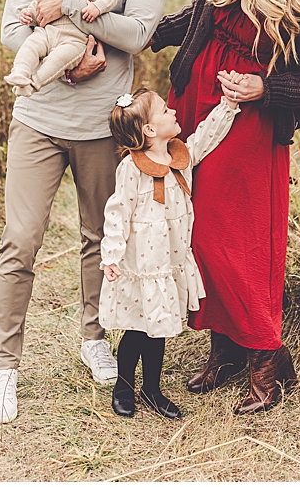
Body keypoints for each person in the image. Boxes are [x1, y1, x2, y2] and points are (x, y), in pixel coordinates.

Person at [0, 0, 172, 424]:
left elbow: (138, 34)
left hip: (102, 126)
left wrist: (66, 6)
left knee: (100, 237)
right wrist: (67, 62)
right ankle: (3, 368)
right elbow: (13, 29)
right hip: (38, 119)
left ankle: (94, 336)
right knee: (21, 240)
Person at [150, 0, 300, 415]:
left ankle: (267, 357)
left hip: (252, 112)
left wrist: (266, 88)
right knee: (192, 226)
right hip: (196, 99)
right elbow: (200, 17)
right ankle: (228, 348)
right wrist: (146, 33)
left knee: (232, 235)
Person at [100, 87, 239, 419]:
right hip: (142, 264)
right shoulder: (132, 168)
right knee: (137, 329)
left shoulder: (179, 157)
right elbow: (117, 213)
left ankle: (152, 390)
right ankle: (123, 385)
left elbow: (205, 138)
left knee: (159, 327)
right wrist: (112, 255)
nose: (173, 112)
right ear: (149, 130)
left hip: (170, 261)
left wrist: (228, 106)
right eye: (164, 111)